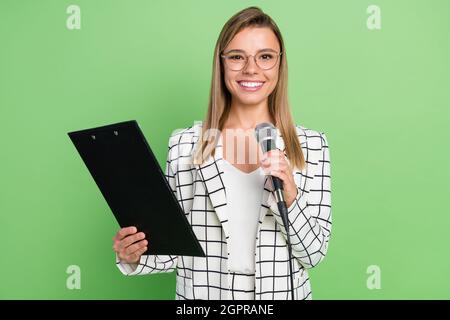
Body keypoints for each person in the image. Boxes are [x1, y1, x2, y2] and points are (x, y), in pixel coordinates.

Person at [112, 6, 332, 300]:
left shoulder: (311, 146)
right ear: (221, 64)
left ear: (279, 64)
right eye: (237, 57)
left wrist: (290, 196)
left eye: (265, 56)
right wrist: (135, 254)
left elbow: (314, 253)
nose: (251, 69)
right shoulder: (185, 145)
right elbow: (176, 252)